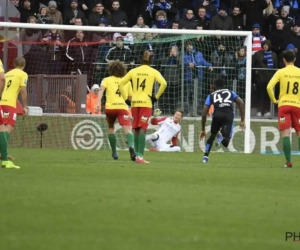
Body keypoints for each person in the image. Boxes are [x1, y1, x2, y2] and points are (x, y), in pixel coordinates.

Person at [118, 51, 167, 164]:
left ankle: (136, 155)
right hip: (146, 103)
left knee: (135, 128)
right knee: (143, 128)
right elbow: (164, 83)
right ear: (150, 61)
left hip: (135, 103)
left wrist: (126, 99)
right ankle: (139, 156)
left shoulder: (134, 71)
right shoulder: (153, 72)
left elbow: (121, 84)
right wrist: (155, 97)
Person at [96, 60, 136, 161]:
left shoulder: (106, 80)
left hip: (110, 108)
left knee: (111, 129)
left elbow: (101, 90)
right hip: (123, 108)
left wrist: (97, 103)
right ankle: (131, 146)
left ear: (111, 70)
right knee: (128, 130)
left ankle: (114, 152)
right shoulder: (127, 81)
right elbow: (130, 98)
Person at [266, 50, 300, 168]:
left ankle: (289, 162)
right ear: (294, 59)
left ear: (284, 60)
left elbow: (269, 86)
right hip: (297, 105)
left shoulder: (281, 72)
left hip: (284, 105)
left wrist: (274, 100)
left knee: (286, 134)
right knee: (299, 133)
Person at [200, 79, 245, 163]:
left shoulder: (211, 95)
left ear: (214, 86)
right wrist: (242, 119)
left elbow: (204, 113)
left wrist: (203, 129)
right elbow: (241, 103)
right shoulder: (230, 92)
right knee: (226, 143)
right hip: (228, 116)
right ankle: (221, 138)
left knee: (212, 136)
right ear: (224, 85)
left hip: (217, 115)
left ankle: (205, 158)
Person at [0, 57, 29, 169]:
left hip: (1, 101)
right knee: (8, 127)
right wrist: (25, 106)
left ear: (13, 63)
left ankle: (4, 152)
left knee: (6, 127)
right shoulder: (23, 74)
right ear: (24, 65)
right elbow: (23, 90)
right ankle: (4, 153)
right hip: (10, 103)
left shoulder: (7, 73)